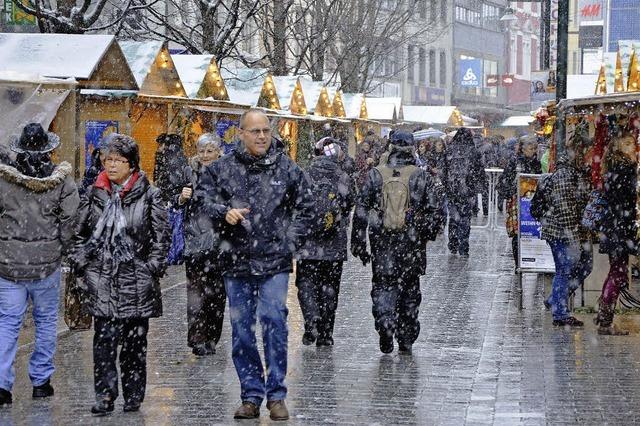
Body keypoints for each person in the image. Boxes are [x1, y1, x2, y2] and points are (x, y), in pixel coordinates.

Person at [196, 109, 315, 421]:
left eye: (265, 130)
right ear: (241, 134)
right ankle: (250, 394)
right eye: (255, 131)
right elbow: (201, 203)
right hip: (235, 260)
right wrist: (224, 212)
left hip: (274, 261)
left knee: (275, 322)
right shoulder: (222, 168)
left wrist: (289, 241)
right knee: (242, 331)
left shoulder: (286, 168)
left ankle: (276, 394)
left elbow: (307, 207)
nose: (262, 136)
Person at [71, 134, 169, 415]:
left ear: (132, 164)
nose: (111, 165)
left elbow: (161, 237)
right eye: (107, 159)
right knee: (103, 342)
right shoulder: (94, 193)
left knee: (134, 343)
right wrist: (82, 263)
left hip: (136, 279)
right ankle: (104, 395)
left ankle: (133, 394)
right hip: (101, 278)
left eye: (118, 160)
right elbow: (79, 233)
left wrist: (151, 267)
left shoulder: (150, 195)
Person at [0, 123, 79, 406]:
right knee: (46, 321)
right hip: (46, 264)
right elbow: (70, 222)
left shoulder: (4, 180)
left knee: (8, 322)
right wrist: (61, 248)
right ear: (49, 149)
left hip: (8, 265)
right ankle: (41, 381)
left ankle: (1, 383)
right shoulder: (63, 182)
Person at [351, 131, 440, 354]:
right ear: (412, 148)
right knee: (410, 292)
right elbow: (435, 213)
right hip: (412, 246)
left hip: (383, 244)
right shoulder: (421, 176)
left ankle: (385, 323)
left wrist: (359, 241)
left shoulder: (376, 174)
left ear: (390, 148)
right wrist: (423, 231)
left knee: (383, 285)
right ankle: (406, 336)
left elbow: (361, 209)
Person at [296, 137, 356, 347]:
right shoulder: (343, 177)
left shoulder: (304, 175)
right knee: (330, 288)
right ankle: (325, 334)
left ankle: (311, 318)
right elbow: (349, 205)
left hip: (308, 244)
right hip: (334, 244)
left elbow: (295, 203)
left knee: (306, 284)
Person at [178, 133, 226, 356]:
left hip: (219, 241)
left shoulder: (227, 172)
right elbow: (174, 200)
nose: (205, 155)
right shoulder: (189, 171)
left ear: (218, 151)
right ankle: (197, 338)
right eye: (202, 151)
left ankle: (212, 337)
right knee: (196, 292)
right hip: (195, 240)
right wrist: (182, 198)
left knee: (216, 293)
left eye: (210, 151)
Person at [540, 133, 592, 327]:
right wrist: (574, 235)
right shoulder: (565, 173)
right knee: (564, 270)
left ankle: (555, 300)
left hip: (567, 231)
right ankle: (560, 313)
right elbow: (565, 208)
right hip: (561, 232)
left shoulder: (574, 171)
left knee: (581, 267)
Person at [594, 131, 638, 335]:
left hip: (614, 227)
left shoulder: (613, 167)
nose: (634, 147)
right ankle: (605, 319)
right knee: (618, 272)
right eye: (629, 144)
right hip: (619, 229)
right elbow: (625, 200)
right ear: (619, 147)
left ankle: (604, 314)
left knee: (617, 271)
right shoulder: (626, 168)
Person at [498, 135, 542, 268]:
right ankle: (518, 263)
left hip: (531, 200)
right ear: (522, 148)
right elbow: (504, 181)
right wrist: (514, 187)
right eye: (530, 147)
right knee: (517, 233)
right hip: (517, 201)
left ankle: (530, 259)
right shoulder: (515, 162)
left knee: (531, 230)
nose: (533, 151)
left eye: (534, 148)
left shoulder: (536, 163)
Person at [444, 128, 485, 256]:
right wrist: (478, 186)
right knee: (465, 218)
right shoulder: (474, 151)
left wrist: (446, 185)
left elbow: (443, 170)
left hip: (452, 189)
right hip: (467, 190)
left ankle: (453, 243)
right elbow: (479, 171)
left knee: (453, 217)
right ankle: (463, 246)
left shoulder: (449, 150)